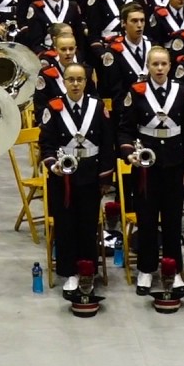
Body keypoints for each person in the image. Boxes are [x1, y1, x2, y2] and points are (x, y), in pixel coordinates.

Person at [118, 47, 184, 295]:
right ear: (148, 67)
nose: (160, 69)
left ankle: (173, 271)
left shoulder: (182, 91)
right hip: (146, 167)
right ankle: (145, 269)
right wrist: (129, 152)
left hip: (174, 165)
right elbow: (125, 129)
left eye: (164, 64)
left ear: (170, 66)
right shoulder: (136, 92)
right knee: (147, 219)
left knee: (173, 220)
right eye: (155, 64)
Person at [37, 62, 113, 296]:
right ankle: (69, 272)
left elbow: (107, 143)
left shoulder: (97, 107)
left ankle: (87, 270)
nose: (76, 84)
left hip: (90, 174)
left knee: (88, 225)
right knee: (65, 225)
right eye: (71, 79)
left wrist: (105, 178)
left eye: (80, 79)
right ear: (64, 82)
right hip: (63, 177)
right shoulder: (54, 107)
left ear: (86, 81)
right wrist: (53, 166)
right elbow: (46, 144)